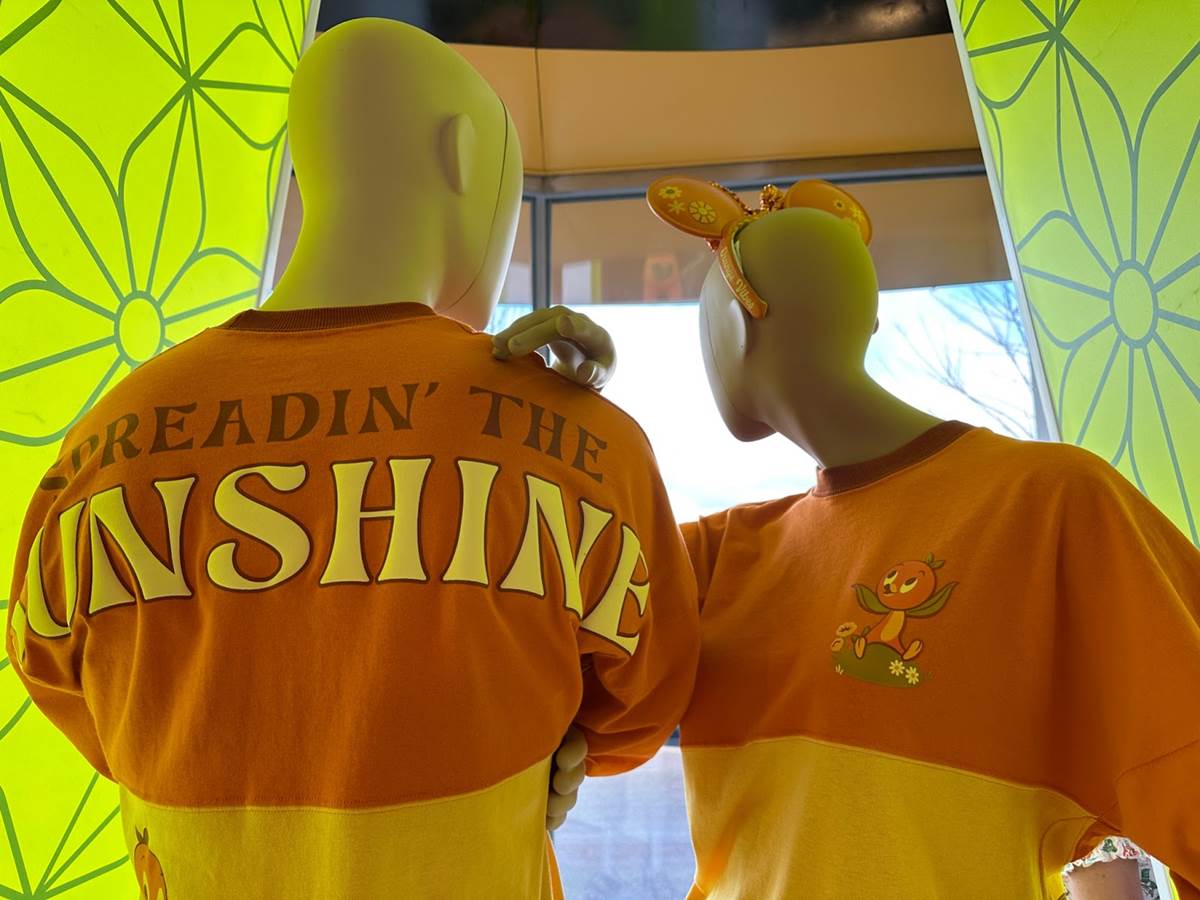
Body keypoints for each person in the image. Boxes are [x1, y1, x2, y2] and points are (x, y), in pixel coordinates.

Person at [5, 20, 697, 899]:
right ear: (460, 154)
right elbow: (638, 707)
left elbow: (83, 704)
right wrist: (550, 738)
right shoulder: (586, 446)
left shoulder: (100, 449)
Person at [493, 176, 1200, 899]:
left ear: (736, 325)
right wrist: (566, 426)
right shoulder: (716, 557)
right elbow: (502, 637)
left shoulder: (1051, 508)